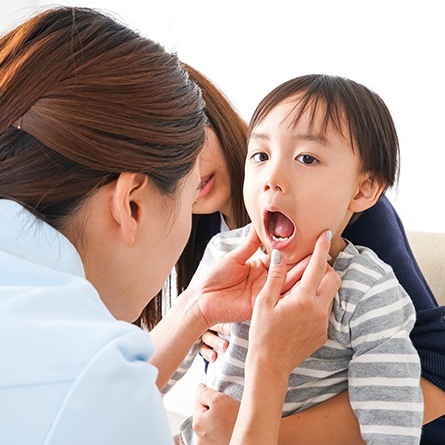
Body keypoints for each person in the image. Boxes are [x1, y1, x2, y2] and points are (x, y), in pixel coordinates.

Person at [0, 8, 341, 445]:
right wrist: (268, 366)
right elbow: (100, 391)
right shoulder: (92, 379)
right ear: (132, 205)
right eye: (189, 192)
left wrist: (198, 307)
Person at [155, 66, 445, 443]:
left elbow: (392, 424)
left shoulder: (368, 288)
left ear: (364, 190)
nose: (272, 176)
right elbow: (141, 384)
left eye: (307, 159)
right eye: (260, 155)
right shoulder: (221, 250)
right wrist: (195, 317)